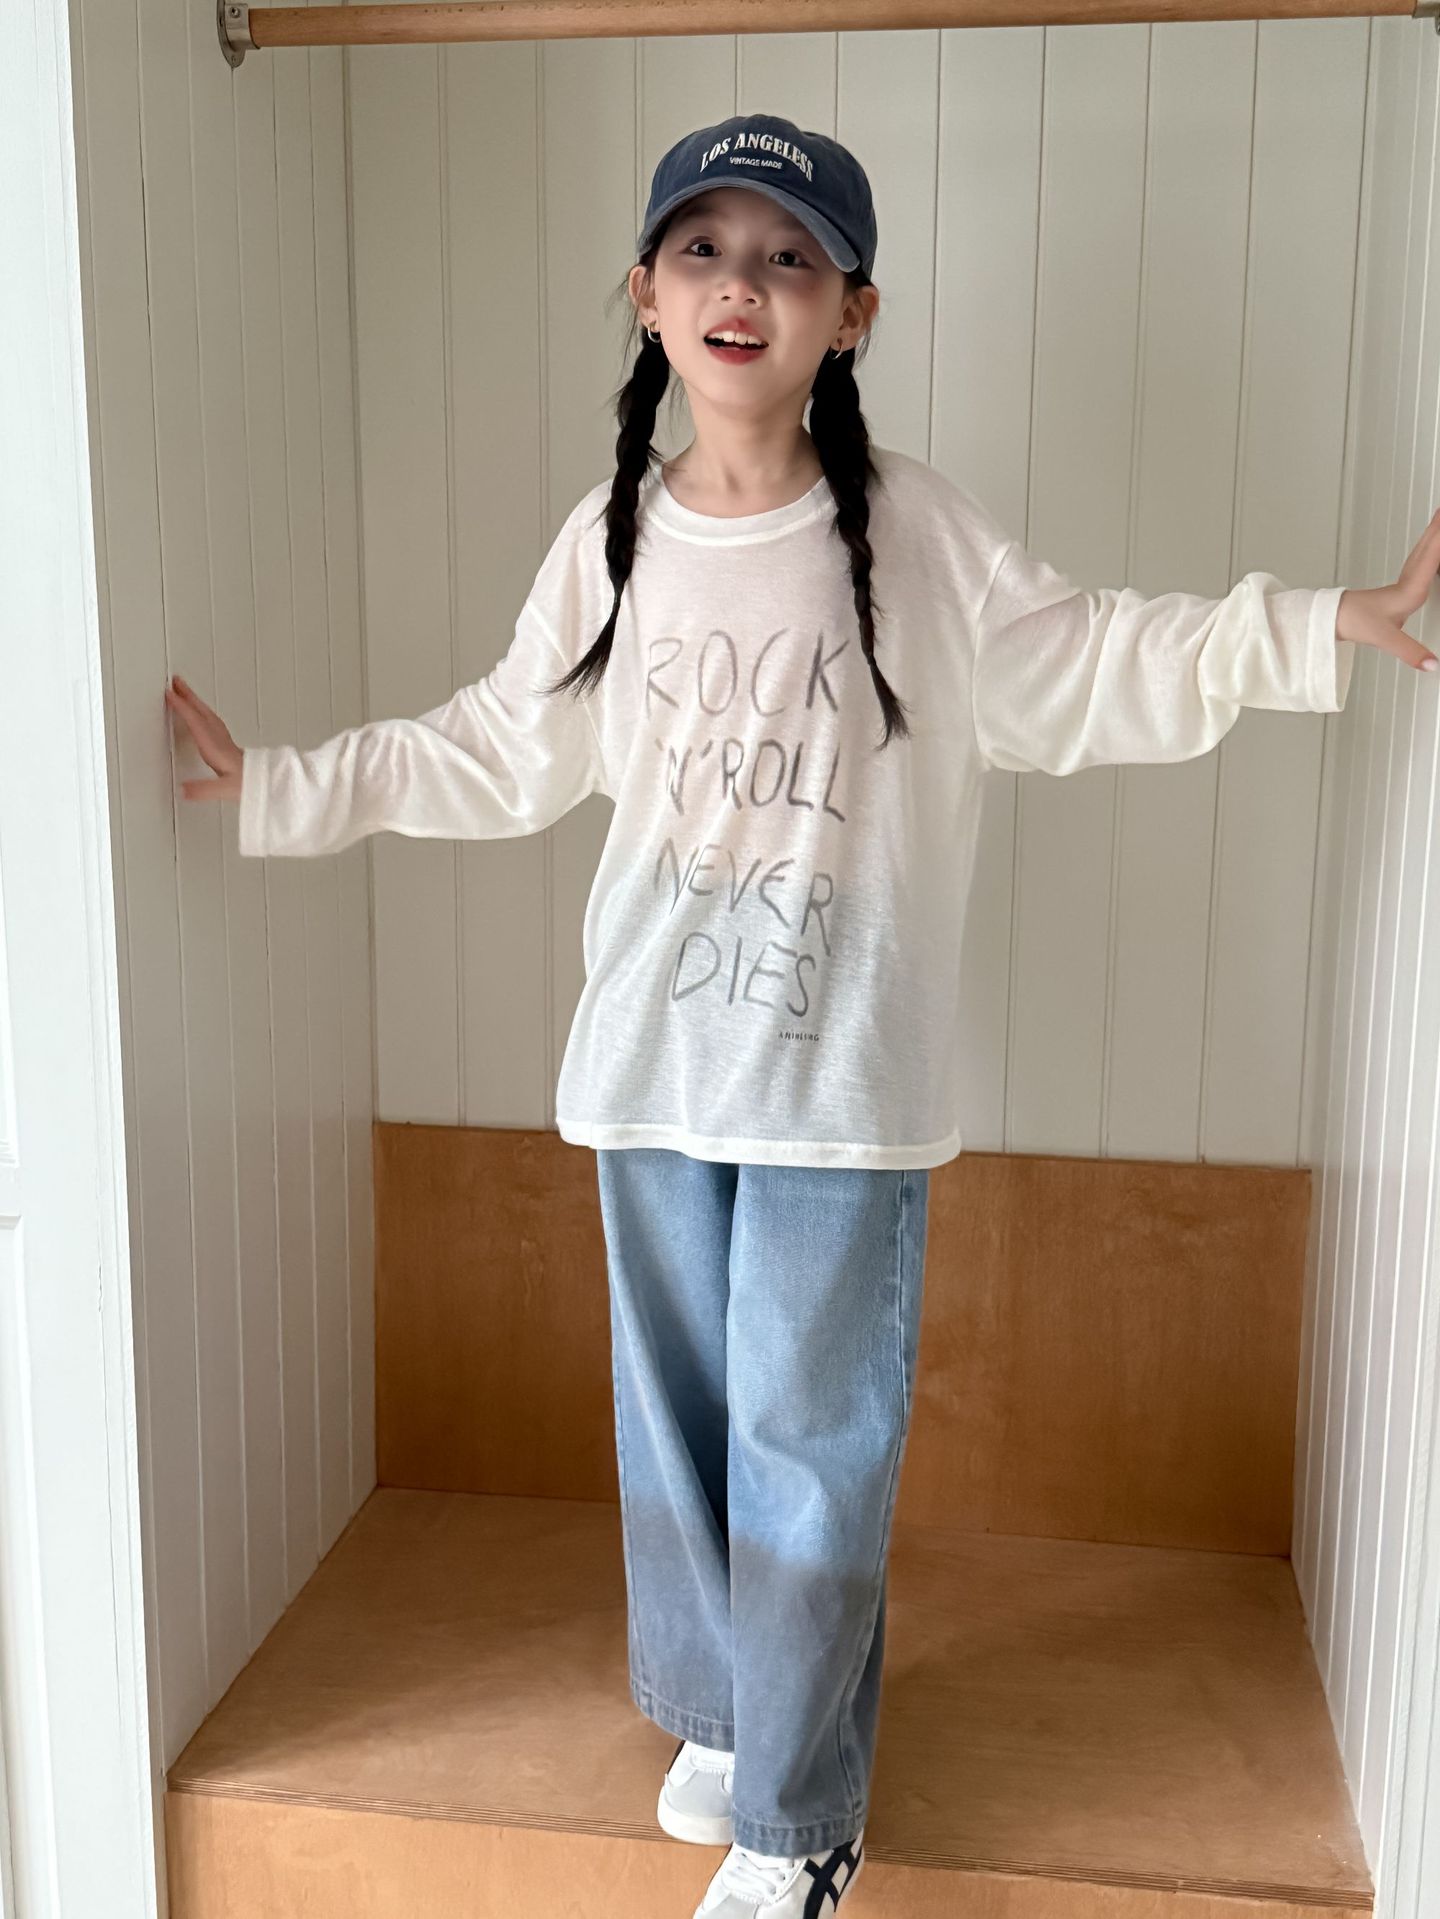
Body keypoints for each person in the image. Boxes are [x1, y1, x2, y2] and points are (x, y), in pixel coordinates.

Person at [164, 109, 1439, 1919]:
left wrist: (1317, 627)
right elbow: (498, 744)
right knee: (680, 1434)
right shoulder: (613, 539)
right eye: (704, 249)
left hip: (841, 1089)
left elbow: (1094, 660)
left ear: (856, 312)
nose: (741, 284)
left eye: (788, 256)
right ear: (645, 294)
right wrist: (286, 788)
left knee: (805, 1447)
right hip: (650, 1066)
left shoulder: (911, 532)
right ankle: (723, 1713)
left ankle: (801, 1817)